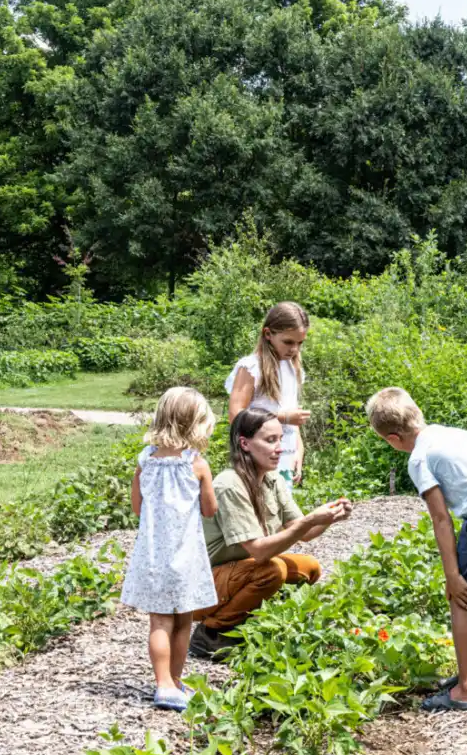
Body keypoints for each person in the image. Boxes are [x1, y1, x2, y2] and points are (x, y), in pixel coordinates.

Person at [364, 388, 467, 712]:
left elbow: (441, 519)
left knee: (460, 596)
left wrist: (452, 575)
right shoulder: (456, 435)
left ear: (393, 438)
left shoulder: (419, 458)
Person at [188, 406, 352, 660]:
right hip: (205, 586)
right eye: (270, 440)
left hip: (241, 570)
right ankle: (211, 633)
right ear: (245, 443)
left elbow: (304, 532)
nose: (280, 448)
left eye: (280, 439)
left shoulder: (271, 478)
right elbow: (260, 550)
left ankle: (252, 622)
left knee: (309, 567)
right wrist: (309, 520)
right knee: (272, 570)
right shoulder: (229, 484)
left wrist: (330, 517)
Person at [122, 387, 219, 711]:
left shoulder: (145, 461)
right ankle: (172, 683)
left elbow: (137, 507)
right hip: (186, 555)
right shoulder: (197, 464)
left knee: (159, 622)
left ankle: (166, 684)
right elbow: (209, 510)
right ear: (195, 424)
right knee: (183, 621)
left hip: (153, 554)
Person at [228, 302, 311, 487]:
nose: (294, 349)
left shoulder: (293, 368)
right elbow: (236, 415)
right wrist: (283, 417)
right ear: (268, 334)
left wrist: (299, 451)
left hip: (285, 451)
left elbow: (293, 420)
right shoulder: (251, 367)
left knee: (280, 507)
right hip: (257, 455)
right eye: (288, 342)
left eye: (299, 343)